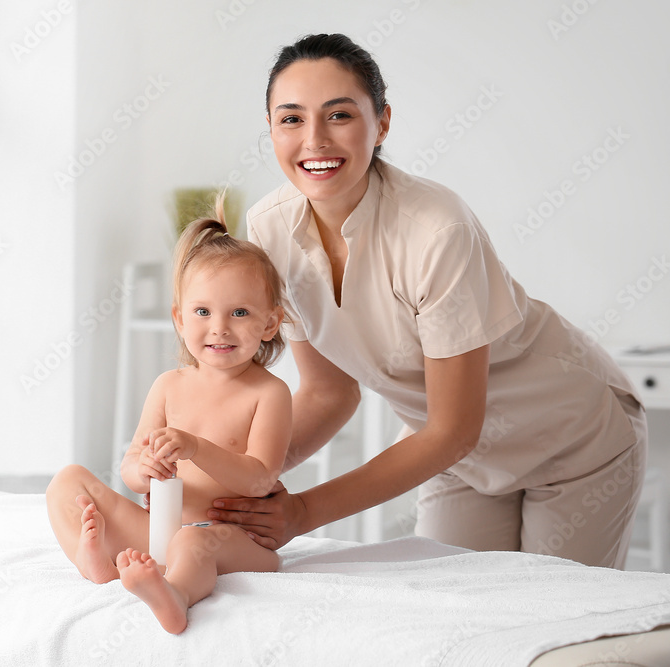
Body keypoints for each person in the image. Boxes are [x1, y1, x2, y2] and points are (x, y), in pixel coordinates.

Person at [207, 33, 647, 569]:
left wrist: (301, 512)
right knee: (456, 621)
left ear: (382, 123)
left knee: (552, 623)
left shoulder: (436, 230)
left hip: (571, 437)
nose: (314, 140)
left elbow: (453, 429)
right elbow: (328, 393)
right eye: (291, 119)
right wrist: (235, 482)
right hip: (454, 457)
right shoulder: (269, 227)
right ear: (272, 130)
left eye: (339, 115)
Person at [45, 205, 292, 633]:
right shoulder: (167, 385)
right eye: (202, 313)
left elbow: (259, 481)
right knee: (67, 481)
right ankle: (96, 565)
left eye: (239, 313)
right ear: (179, 319)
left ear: (270, 323)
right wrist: (144, 469)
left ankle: (173, 595)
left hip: (231, 540)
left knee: (195, 540)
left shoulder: (269, 393)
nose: (219, 328)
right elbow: (131, 471)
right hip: (159, 529)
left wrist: (195, 447)